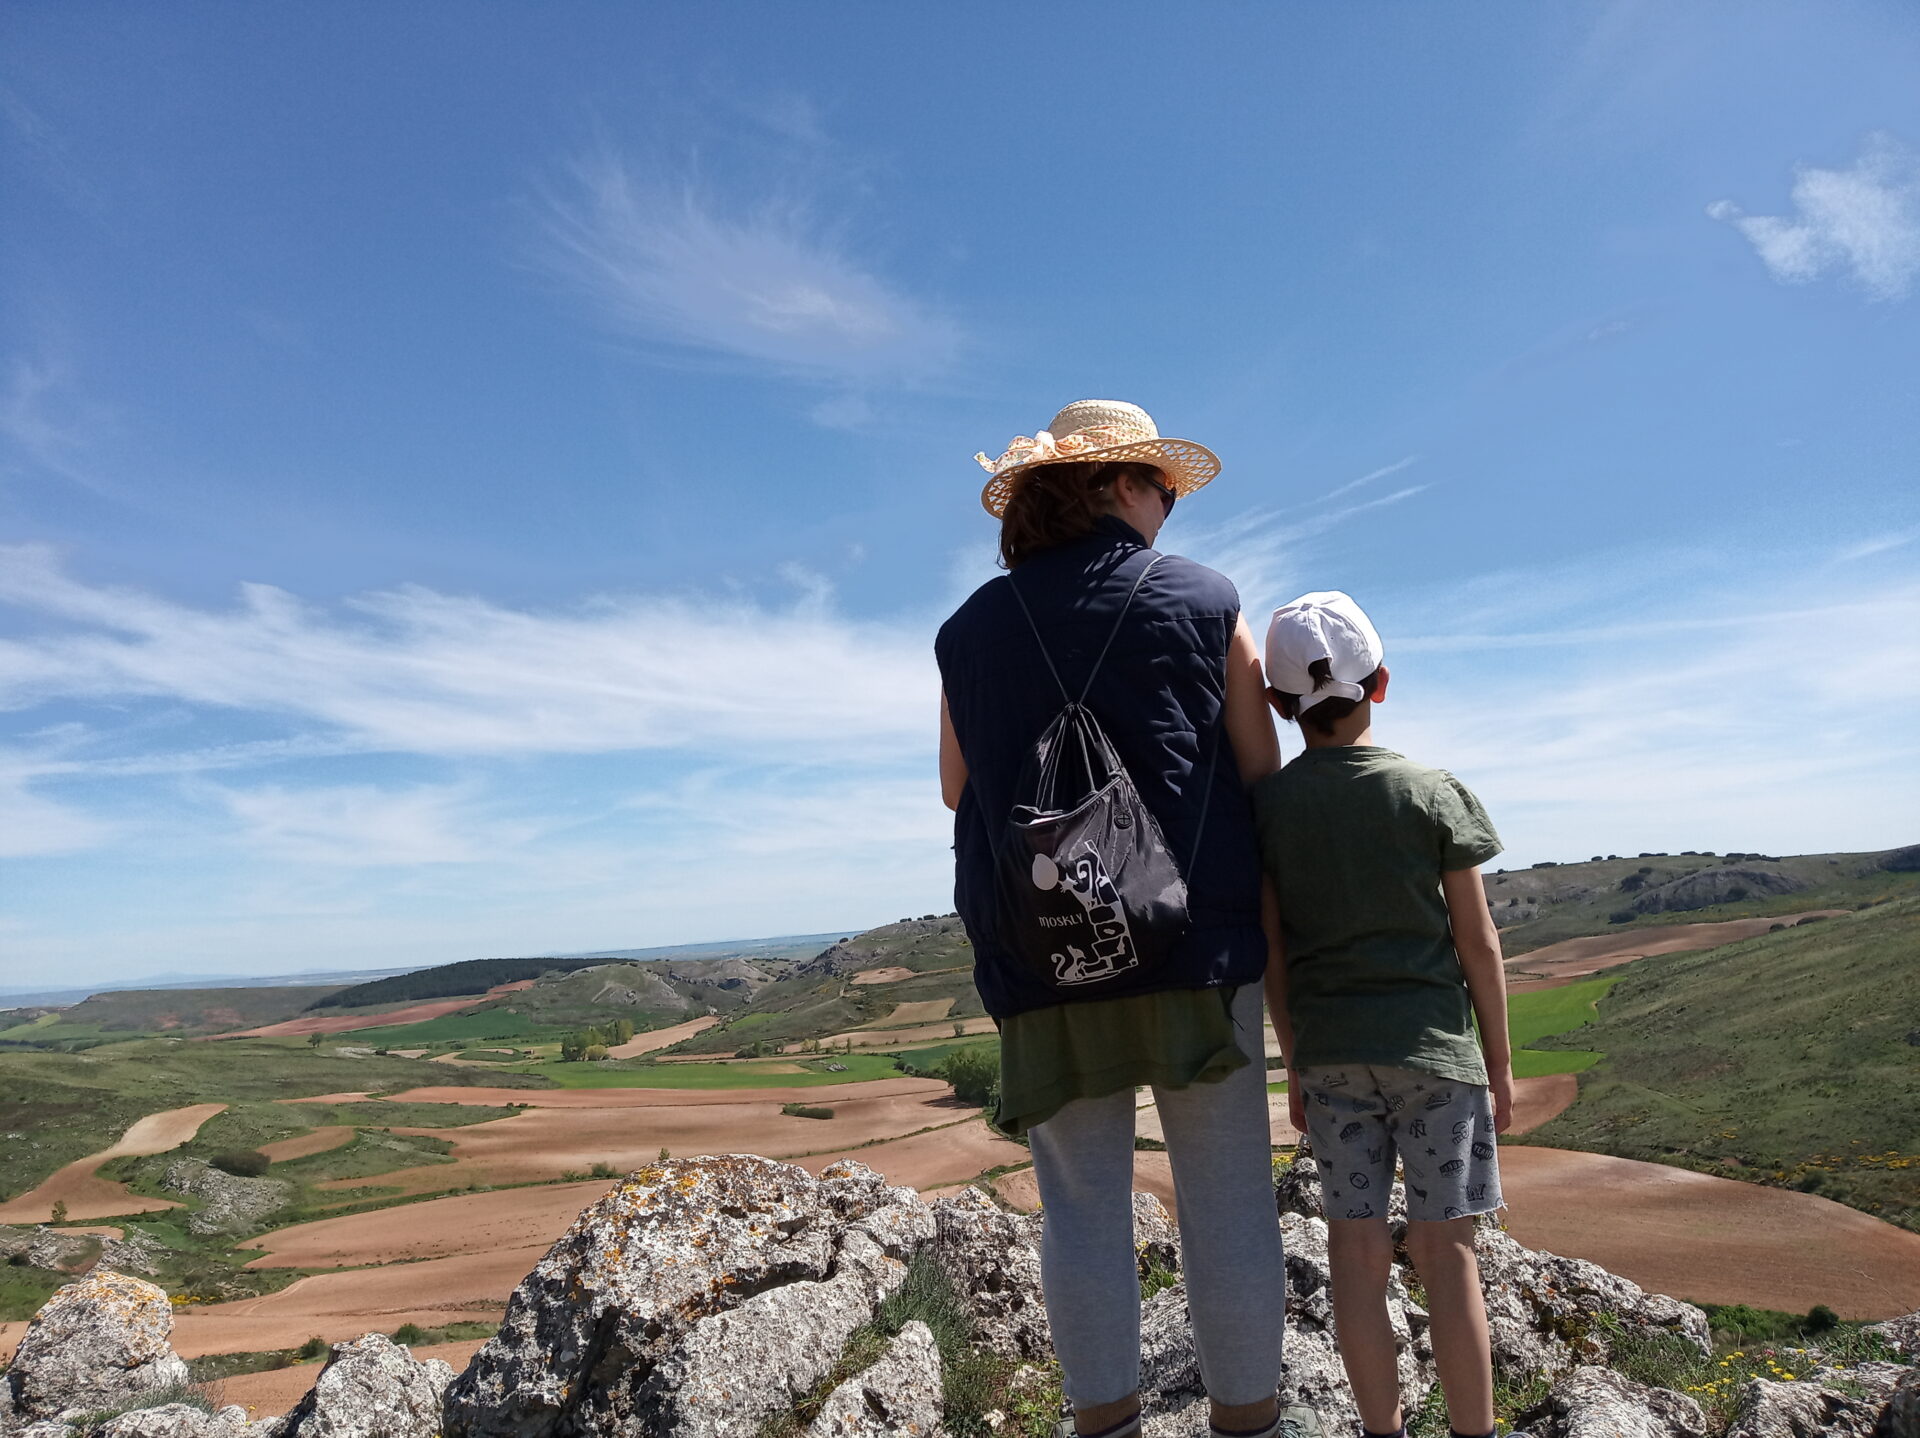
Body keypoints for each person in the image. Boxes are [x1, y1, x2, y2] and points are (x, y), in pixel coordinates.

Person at [937, 400, 1313, 1438]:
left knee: (1081, 1211)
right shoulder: (1203, 600)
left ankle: (1104, 1424)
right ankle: (1251, 1425)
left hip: (1041, 954)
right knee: (1229, 1204)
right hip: (1194, 946)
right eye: (1162, 485)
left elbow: (952, 786)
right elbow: (1255, 765)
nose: (1170, 504)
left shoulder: (966, 630)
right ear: (1113, 486)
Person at [1253, 591, 1518, 1438]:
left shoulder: (1268, 813)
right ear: (1382, 684)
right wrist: (1502, 1068)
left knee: (1356, 1260)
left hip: (1332, 1060)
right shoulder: (1430, 792)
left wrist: (1295, 1061)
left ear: (1279, 705)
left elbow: (1273, 955)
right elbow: (1477, 944)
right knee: (1451, 1258)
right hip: (1436, 1058)